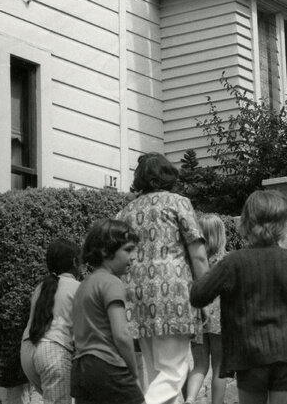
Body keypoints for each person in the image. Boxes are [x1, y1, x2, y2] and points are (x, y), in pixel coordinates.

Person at [189, 191, 287, 404]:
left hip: (249, 355)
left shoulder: (232, 263)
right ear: (284, 225)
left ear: (244, 223)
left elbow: (198, 296)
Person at [117, 154, 209, 404]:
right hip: (173, 294)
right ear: (168, 174)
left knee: (156, 372)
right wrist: (208, 295)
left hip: (136, 296)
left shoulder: (126, 211)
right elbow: (198, 256)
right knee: (174, 371)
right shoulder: (178, 203)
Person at [71, 219, 143, 404]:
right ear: (105, 251)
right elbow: (121, 334)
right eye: (127, 250)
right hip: (108, 365)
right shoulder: (112, 283)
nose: (133, 257)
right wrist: (133, 371)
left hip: (81, 368)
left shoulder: (83, 285)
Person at [20, 239, 82, 404]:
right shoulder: (77, 287)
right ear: (75, 262)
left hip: (28, 351)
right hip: (53, 351)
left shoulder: (41, 287)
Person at [184, 214, 229, 404]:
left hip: (196, 317)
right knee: (219, 367)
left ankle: (190, 399)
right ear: (220, 235)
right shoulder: (226, 262)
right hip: (220, 318)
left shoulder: (191, 263)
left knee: (199, 365)